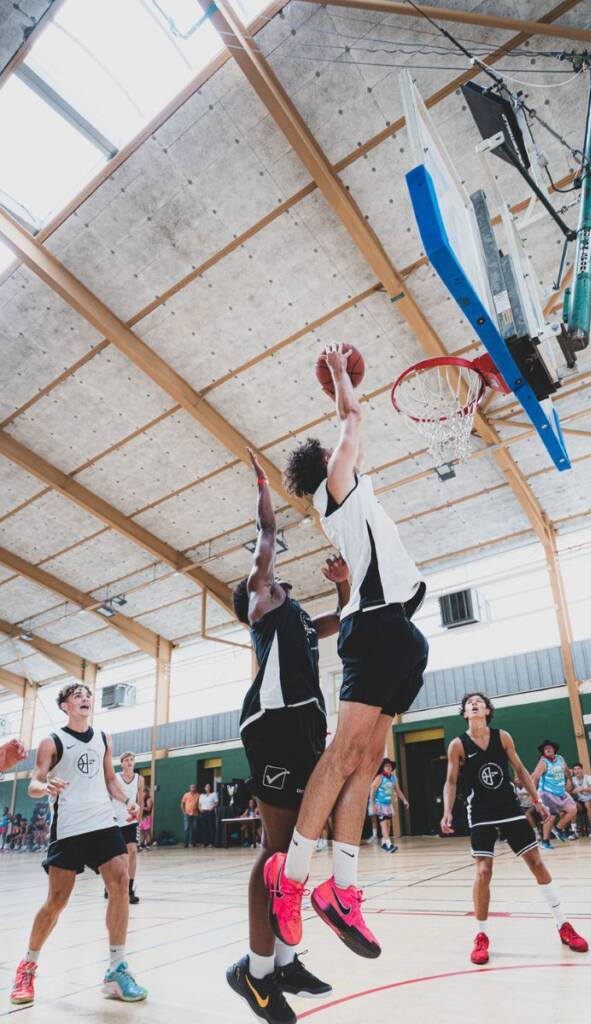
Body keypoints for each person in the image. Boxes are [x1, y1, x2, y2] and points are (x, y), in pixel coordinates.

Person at [264, 343, 429, 962]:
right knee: (343, 754)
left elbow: (349, 437)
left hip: (400, 636)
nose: (349, 455)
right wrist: (337, 374)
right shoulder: (338, 490)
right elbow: (352, 422)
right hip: (379, 629)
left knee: (368, 764)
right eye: (338, 455)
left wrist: (344, 582)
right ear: (329, 466)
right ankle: (295, 874)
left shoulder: (351, 501)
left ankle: (344, 890)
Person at [226, 447, 347, 1024]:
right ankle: (253, 973)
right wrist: (260, 482)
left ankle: (287, 960)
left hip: (304, 724)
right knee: (275, 852)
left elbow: (341, 621)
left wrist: (345, 584)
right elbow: (267, 531)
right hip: (271, 726)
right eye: (270, 581)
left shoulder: (298, 619)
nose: (276, 581)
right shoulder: (260, 603)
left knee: (301, 848)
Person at [10, 683, 146, 1005]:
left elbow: (109, 778)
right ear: (65, 706)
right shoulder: (52, 741)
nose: (85, 699)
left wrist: (127, 800)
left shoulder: (103, 738)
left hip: (103, 822)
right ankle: (27, 966)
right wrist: (45, 786)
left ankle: (116, 969)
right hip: (69, 828)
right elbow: (34, 782)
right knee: (56, 902)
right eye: (77, 696)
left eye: (88, 695)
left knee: (120, 882)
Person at [441, 693, 588, 965]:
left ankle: (563, 924)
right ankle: (481, 935)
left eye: (479, 702)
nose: (474, 704)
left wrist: (537, 800)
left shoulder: (503, 737)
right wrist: (447, 811)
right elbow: (450, 781)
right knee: (483, 871)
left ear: (487, 710)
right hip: (481, 812)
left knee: (537, 864)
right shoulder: (457, 745)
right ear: (465, 713)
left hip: (509, 807)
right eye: (469, 703)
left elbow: (520, 770)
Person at [106, 752, 143, 904]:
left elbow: (139, 800)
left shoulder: (139, 779)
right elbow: (110, 795)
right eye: (126, 760)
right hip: (115, 819)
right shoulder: (116, 778)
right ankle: (110, 885)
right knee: (115, 856)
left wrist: (138, 820)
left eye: (131, 760)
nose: (129, 762)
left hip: (130, 820)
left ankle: (129, 889)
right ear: (121, 763)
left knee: (132, 851)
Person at [533, 740, 578, 847]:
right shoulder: (543, 762)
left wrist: (570, 780)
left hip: (560, 792)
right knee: (550, 817)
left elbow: (566, 770)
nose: (548, 749)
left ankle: (557, 828)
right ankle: (545, 841)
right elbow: (535, 778)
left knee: (573, 809)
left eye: (550, 748)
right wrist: (534, 797)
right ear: (544, 752)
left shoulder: (560, 758)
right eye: (545, 749)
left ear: (554, 750)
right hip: (546, 793)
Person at [370, 758, 409, 853]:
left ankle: (384, 843)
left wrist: (404, 800)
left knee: (388, 825)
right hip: (379, 804)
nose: (389, 767)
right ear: (383, 768)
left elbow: (398, 790)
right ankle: (389, 844)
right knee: (383, 825)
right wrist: (372, 805)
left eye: (390, 766)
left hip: (388, 805)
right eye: (386, 766)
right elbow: (372, 791)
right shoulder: (379, 778)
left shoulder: (393, 778)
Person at [570, 763, 591, 839]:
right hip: (581, 801)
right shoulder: (573, 779)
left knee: (587, 803)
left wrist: (582, 789)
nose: (577, 771)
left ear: (582, 770)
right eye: (575, 769)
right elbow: (568, 790)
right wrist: (568, 777)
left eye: (578, 769)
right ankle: (574, 831)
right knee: (572, 806)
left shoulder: (588, 777)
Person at [199, 783, 219, 848]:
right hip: (203, 812)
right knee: (204, 827)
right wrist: (200, 809)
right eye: (206, 786)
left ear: (210, 788)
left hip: (210, 812)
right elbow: (199, 804)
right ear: (204, 788)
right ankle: (205, 843)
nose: (207, 787)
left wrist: (212, 808)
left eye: (209, 786)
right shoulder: (202, 795)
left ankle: (212, 842)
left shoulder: (213, 794)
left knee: (211, 827)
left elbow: (216, 803)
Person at [180, 784, 199, 848]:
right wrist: (183, 812)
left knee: (194, 829)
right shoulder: (186, 795)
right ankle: (186, 844)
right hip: (187, 814)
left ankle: (193, 843)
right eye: (192, 787)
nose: (193, 788)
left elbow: (200, 804)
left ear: (195, 788)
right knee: (186, 828)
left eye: (194, 787)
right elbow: (182, 803)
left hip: (195, 814)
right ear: (190, 788)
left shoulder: (198, 795)